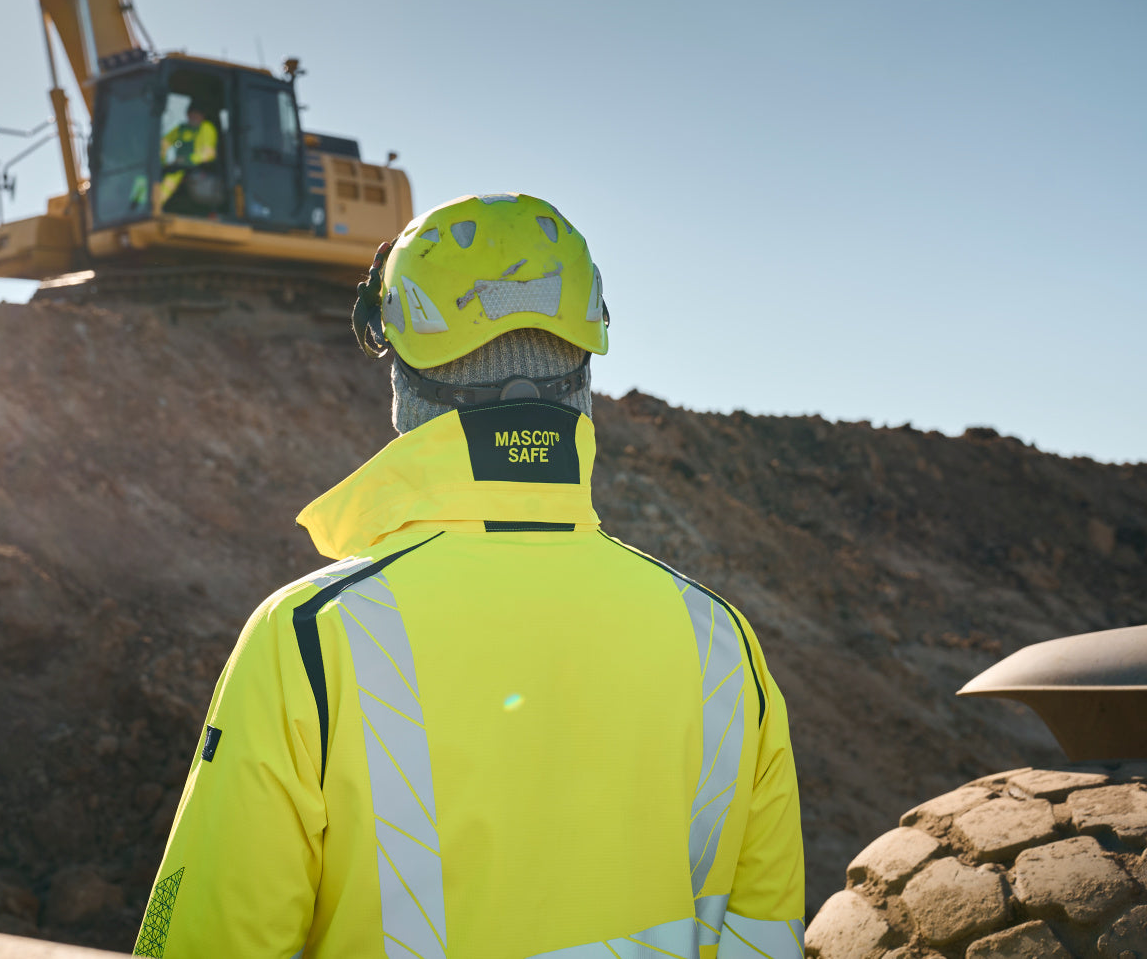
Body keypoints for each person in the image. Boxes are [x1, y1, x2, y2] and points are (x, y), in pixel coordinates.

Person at [133, 193, 804, 959]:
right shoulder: (722, 644)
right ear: (584, 380)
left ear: (404, 388)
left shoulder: (310, 640)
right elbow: (763, 940)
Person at [159, 100, 219, 211]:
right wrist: (161, 162)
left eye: (197, 114)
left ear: (202, 116)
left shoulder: (206, 128)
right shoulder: (181, 129)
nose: (194, 117)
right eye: (192, 114)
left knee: (166, 186)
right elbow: (163, 144)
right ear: (187, 114)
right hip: (179, 168)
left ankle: (155, 207)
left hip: (199, 172)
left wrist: (186, 160)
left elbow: (208, 154)